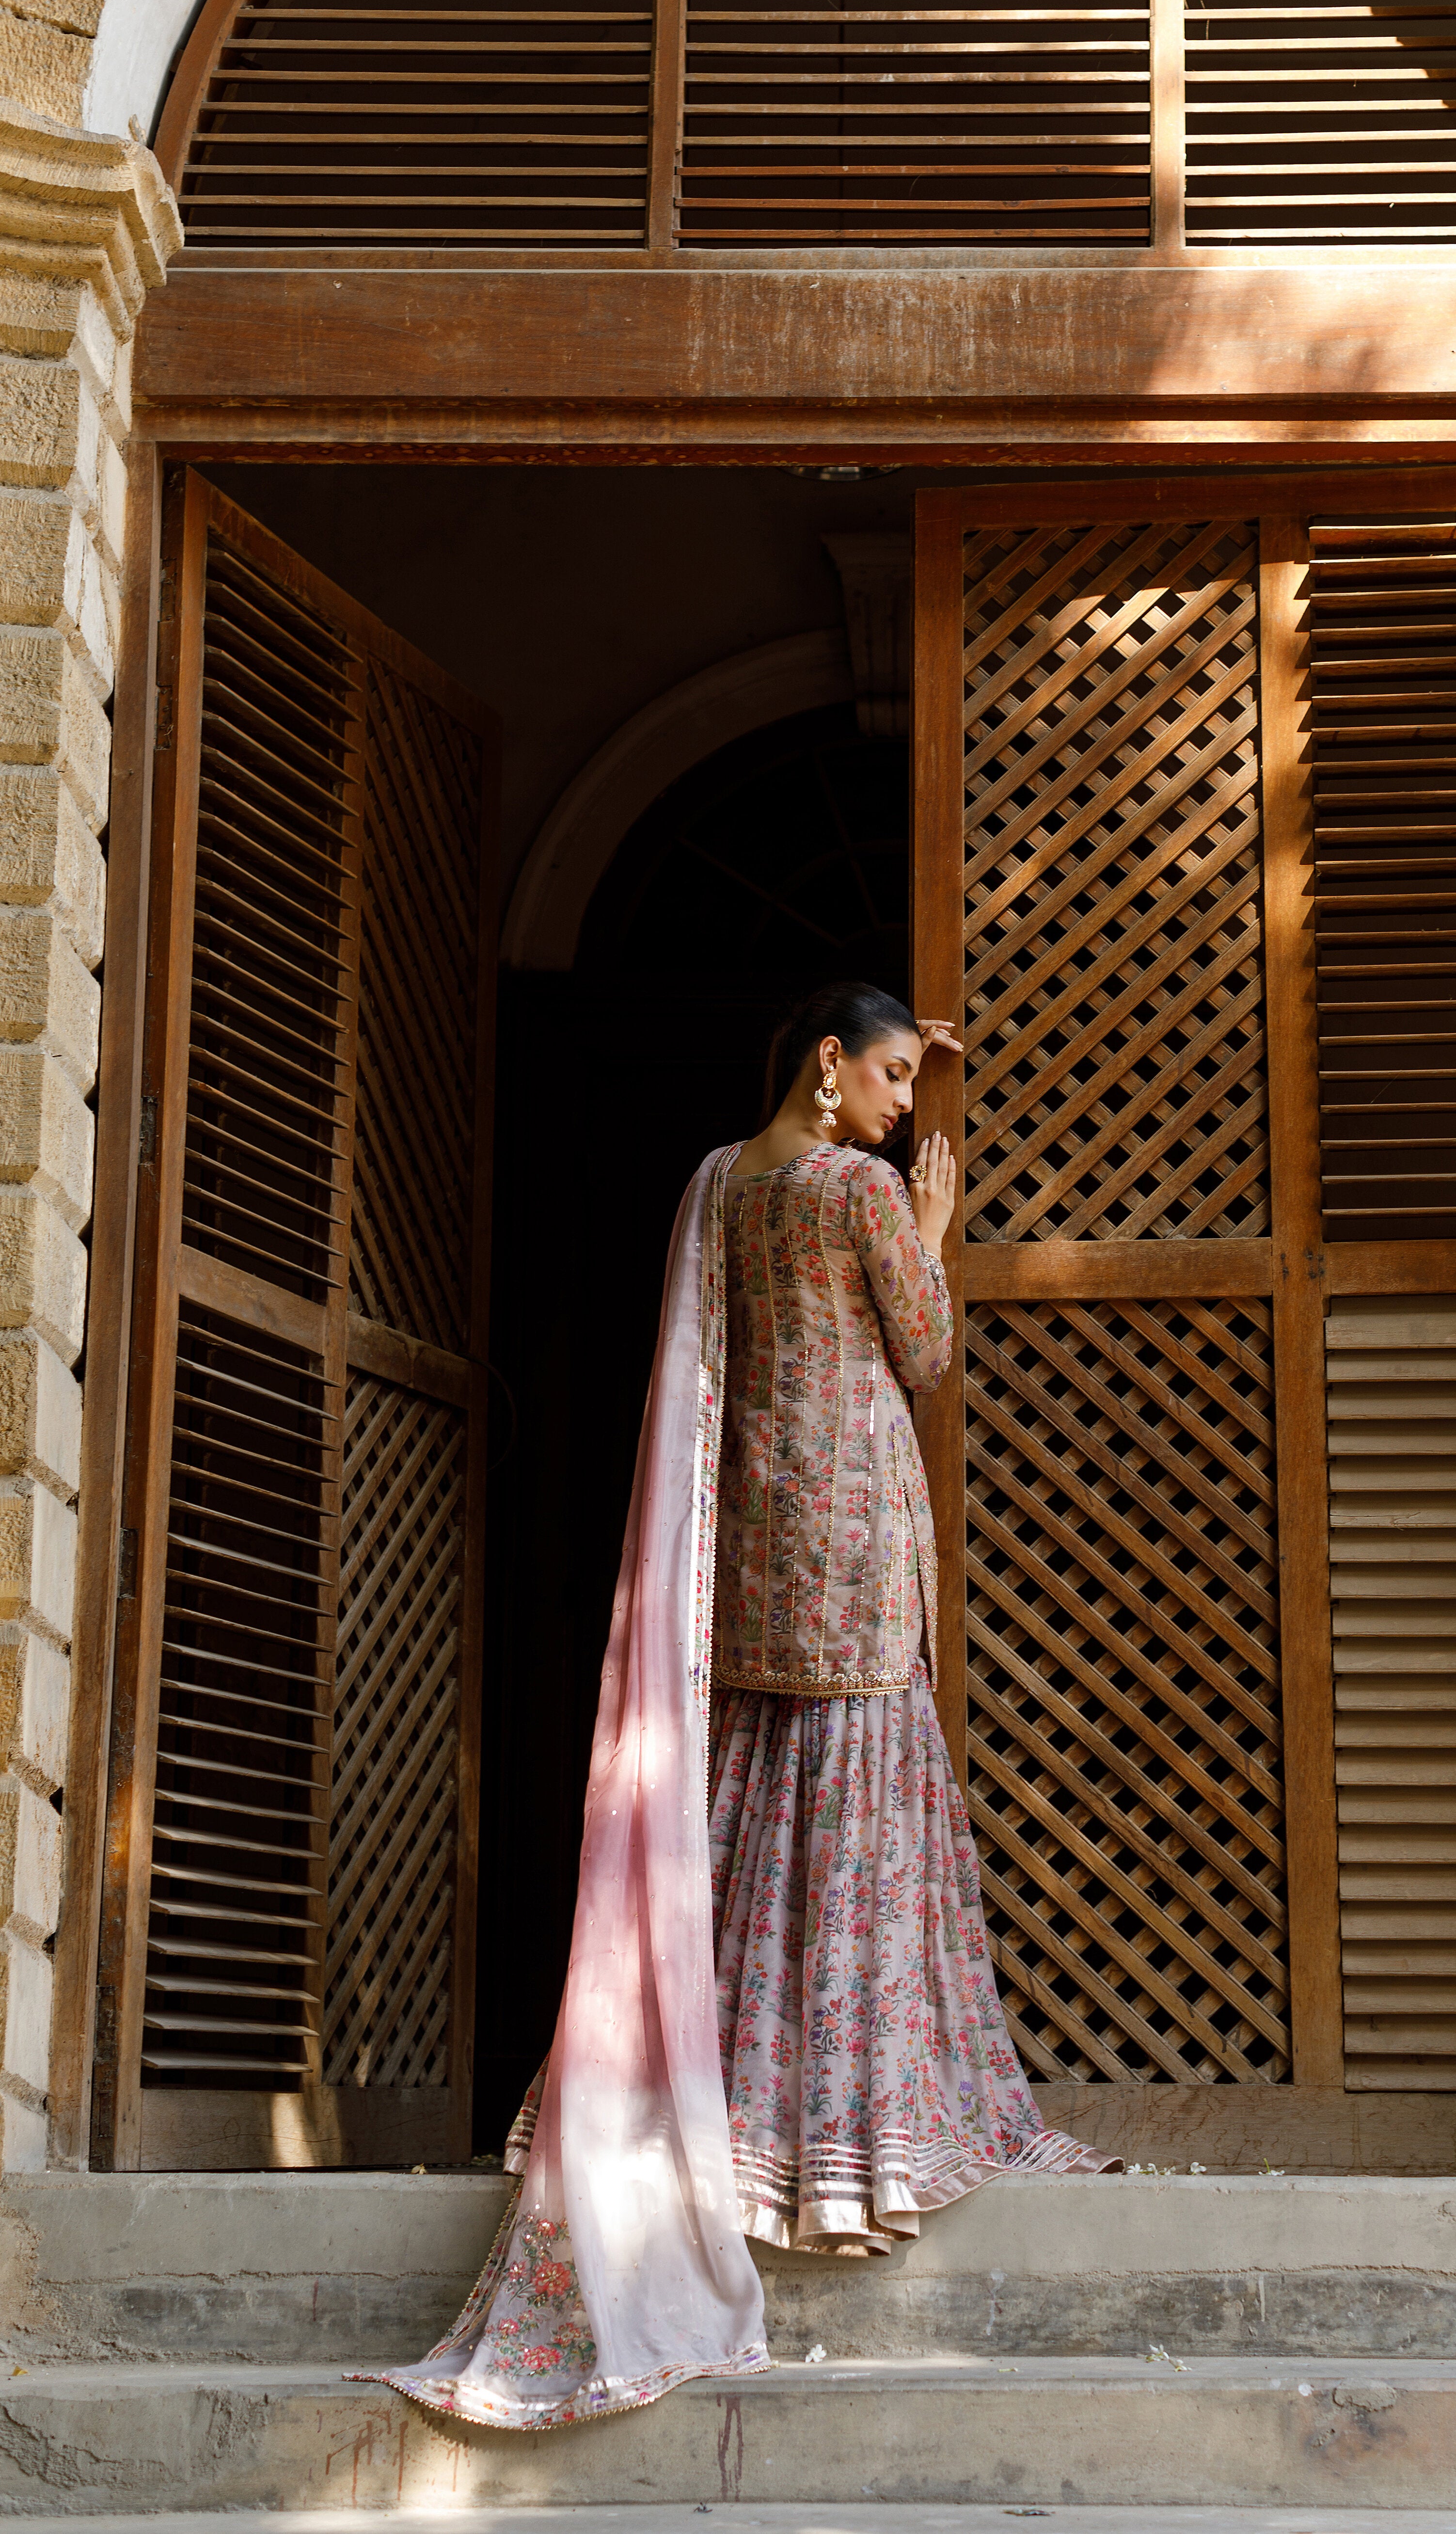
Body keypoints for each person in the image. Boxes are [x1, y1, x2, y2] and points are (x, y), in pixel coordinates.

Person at [353, 984, 1115, 2432]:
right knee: (855, 1814)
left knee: (752, 1809)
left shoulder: (722, 1181)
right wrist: (934, 1235)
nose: (908, 1106)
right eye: (892, 1076)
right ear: (830, 1068)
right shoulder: (859, 1191)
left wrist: (917, 1045)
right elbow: (928, 1352)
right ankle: (850, 2142)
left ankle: (735, 2111)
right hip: (857, 1536)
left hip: (756, 1541)